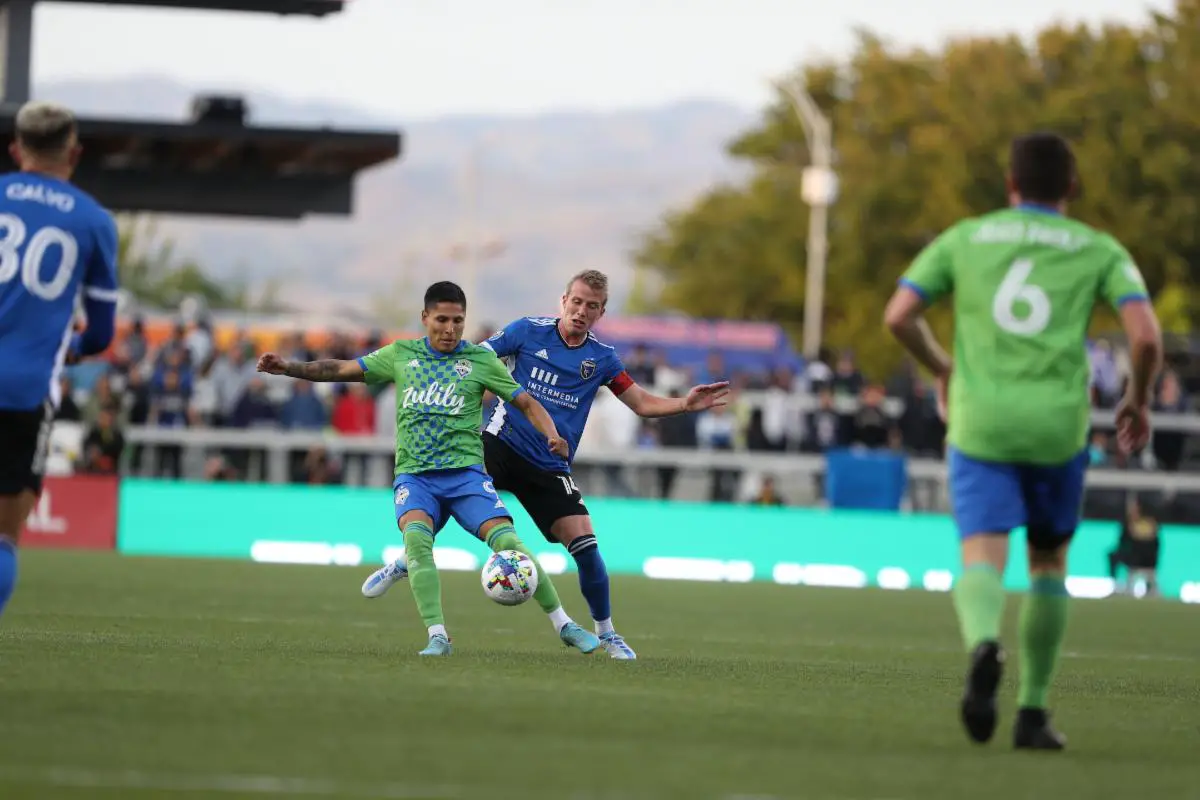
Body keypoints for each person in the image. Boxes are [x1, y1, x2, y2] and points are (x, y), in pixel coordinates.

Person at [884, 132, 1162, 751]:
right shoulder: (1099, 248)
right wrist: (1137, 399)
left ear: (1010, 184)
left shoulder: (966, 237)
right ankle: (1033, 714)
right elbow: (1145, 338)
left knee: (982, 555)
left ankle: (985, 641)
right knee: (1048, 564)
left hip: (980, 421)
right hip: (1057, 428)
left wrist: (942, 367)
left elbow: (898, 314)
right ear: (1071, 187)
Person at [258, 281, 601, 657]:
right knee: (419, 541)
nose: (450, 329)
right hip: (416, 477)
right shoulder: (401, 355)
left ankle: (565, 624)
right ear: (425, 318)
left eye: (458, 320)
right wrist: (289, 367)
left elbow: (526, 402)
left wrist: (552, 435)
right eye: (442, 319)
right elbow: (339, 369)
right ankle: (438, 636)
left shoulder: (479, 361)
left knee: (510, 545)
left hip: (467, 477)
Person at [479, 269, 729, 658]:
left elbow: (641, 403)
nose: (581, 311)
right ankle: (409, 558)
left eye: (590, 306)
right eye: (576, 302)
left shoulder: (602, 358)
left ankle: (608, 633)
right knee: (451, 485)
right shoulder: (526, 330)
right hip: (499, 442)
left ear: (601, 312)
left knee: (587, 545)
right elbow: (476, 359)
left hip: (549, 465)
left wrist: (684, 404)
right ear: (563, 301)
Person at [0, 101, 119, 622]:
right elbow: (100, 334)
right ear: (75, 152)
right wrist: (67, 346)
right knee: (4, 536)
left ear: (14, 150)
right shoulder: (92, 220)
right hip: (23, 390)